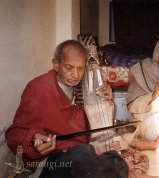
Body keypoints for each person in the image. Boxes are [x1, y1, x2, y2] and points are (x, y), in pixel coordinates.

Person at [5, 40, 128, 178]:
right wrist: (34, 139)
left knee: (114, 157)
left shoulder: (87, 88)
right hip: (51, 162)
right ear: (56, 64)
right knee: (83, 155)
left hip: (84, 155)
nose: (75, 75)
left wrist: (106, 101)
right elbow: (13, 134)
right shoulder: (38, 89)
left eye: (80, 68)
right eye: (69, 67)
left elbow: (97, 127)